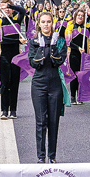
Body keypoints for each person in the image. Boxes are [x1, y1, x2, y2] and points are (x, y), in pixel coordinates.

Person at [28, 11, 67, 163]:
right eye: (43, 22)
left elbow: (59, 61)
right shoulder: (34, 42)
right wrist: (41, 48)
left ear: (53, 23)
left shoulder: (60, 41)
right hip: (38, 84)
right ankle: (40, 157)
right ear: (39, 24)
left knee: (53, 121)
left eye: (48, 22)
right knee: (40, 121)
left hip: (55, 84)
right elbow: (34, 63)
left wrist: (52, 47)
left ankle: (52, 156)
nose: (46, 24)